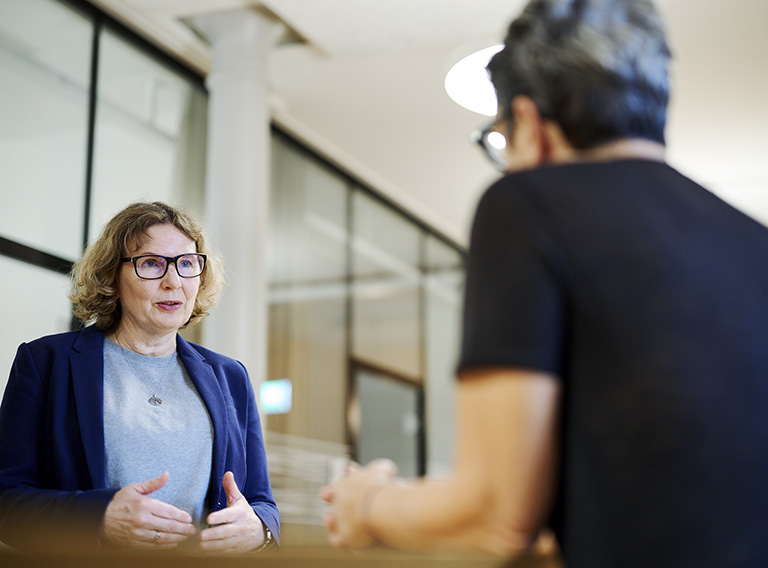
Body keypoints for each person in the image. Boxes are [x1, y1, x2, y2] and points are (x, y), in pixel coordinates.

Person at [321, 0, 768, 566]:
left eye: (501, 141)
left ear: (530, 126)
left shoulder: (526, 205)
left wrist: (368, 504)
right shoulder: (756, 241)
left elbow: (498, 519)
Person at [0, 201, 279, 553]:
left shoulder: (229, 377)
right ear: (112, 276)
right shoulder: (46, 363)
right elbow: (6, 501)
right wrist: (98, 518)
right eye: (151, 263)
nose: (173, 281)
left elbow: (262, 503)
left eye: (187, 264)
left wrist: (259, 532)